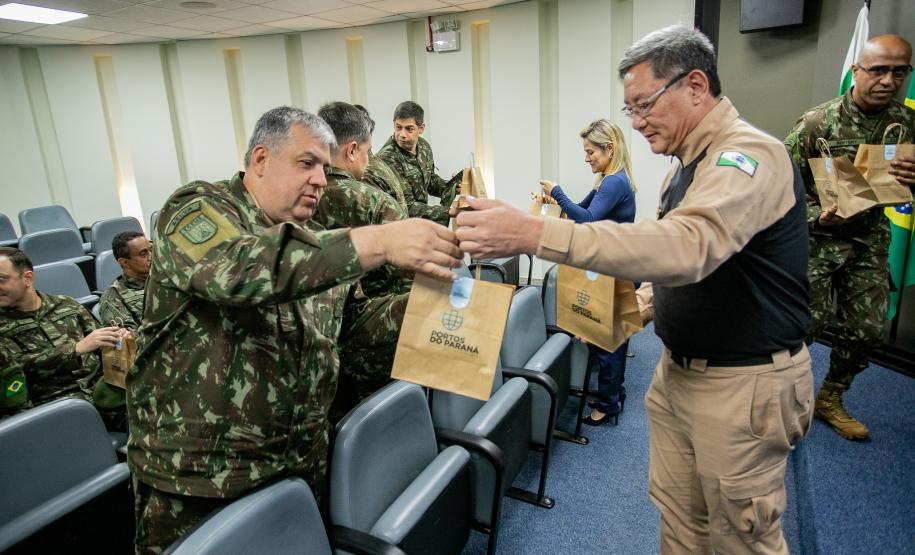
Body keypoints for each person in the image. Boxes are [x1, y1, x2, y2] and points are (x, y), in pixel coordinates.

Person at [455, 25, 812, 554]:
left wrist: (534, 234)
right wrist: (633, 309)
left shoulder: (749, 157)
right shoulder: (684, 169)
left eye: (644, 104)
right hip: (681, 374)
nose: (637, 122)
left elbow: (689, 246)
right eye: (630, 111)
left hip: (744, 385)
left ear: (695, 85)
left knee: (743, 538)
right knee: (680, 520)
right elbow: (684, 270)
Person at [128, 106, 461, 554]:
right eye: (307, 163)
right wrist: (380, 241)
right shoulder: (195, 210)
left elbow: (352, 329)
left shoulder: (313, 237)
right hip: (203, 481)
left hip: (298, 464)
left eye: (326, 167)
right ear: (261, 159)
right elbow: (240, 268)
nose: (322, 179)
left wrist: (431, 309)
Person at [784, 35, 915, 441]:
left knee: (869, 330)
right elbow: (776, 188)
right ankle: (780, 403)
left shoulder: (907, 124)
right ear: (856, 72)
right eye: (878, 70)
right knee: (803, 328)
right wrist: (814, 213)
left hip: (869, 239)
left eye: (900, 71)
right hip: (818, 238)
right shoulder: (815, 124)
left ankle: (830, 397)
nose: (889, 80)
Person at [312, 101, 412, 421]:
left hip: (315, 341)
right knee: (381, 416)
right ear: (352, 150)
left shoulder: (296, 197)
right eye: (367, 151)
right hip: (370, 328)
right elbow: (410, 268)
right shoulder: (372, 201)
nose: (369, 162)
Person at [540, 119, 637, 425]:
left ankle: (608, 405)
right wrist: (554, 200)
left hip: (615, 270)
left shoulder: (614, 182)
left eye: (591, 151)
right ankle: (613, 394)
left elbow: (587, 220)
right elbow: (577, 210)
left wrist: (558, 190)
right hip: (612, 268)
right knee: (608, 339)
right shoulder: (606, 180)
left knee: (608, 343)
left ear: (609, 149)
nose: (587, 158)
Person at [0, 247, 128, 429]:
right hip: (55, 407)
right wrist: (74, 349)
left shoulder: (66, 304)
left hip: (102, 392)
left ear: (27, 278)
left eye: (1, 280)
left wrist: (120, 341)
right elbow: (15, 370)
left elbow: (101, 344)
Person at [376, 100, 460, 225]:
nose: (402, 135)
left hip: (420, 222)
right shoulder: (388, 157)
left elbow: (429, 180)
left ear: (421, 128)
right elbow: (406, 206)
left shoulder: (423, 146)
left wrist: (452, 186)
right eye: (398, 127)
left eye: (409, 129)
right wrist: (450, 211)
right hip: (400, 226)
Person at [98, 231, 151, 330]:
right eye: (143, 254)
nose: (151, 256)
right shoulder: (113, 297)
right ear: (125, 262)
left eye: (151, 250)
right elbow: (127, 341)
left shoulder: (167, 279)